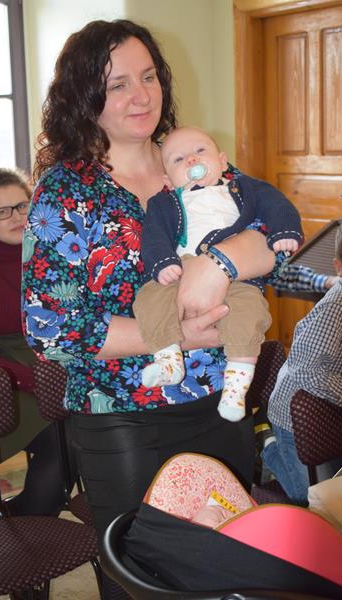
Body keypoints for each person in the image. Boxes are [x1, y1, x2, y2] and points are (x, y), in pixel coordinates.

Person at [21, 19, 288, 599]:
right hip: (123, 415)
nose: (141, 95)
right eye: (117, 84)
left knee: (226, 566)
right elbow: (51, 329)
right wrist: (180, 336)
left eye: (149, 77)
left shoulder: (192, 161)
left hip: (221, 401)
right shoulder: (67, 191)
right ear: (84, 96)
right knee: (145, 579)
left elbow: (277, 239)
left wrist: (226, 261)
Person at [133, 125, 302, 422]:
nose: (191, 160)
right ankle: (168, 358)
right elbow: (154, 236)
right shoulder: (164, 203)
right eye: (178, 159)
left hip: (238, 278)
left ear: (223, 162)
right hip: (180, 271)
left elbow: (277, 205)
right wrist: (162, 263)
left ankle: (236, 386)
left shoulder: (244, 188)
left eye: (200, 151)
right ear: (168, 180)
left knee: (249, 313)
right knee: (149, 298)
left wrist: (284, 232)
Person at [0, 168, 74, 518]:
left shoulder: (50, 253)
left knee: (97, 425)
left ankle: (26, 511)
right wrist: (26, 378)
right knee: (65, 441)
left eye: (22, 206)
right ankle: (31, 522)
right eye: (2, 211)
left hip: (50, 363)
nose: (17, 217)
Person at [263, 209, 342, 505]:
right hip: (295, 412)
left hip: (333, 402)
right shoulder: (338, 306)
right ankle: (270, 450)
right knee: (308, 498)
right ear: (340, 268)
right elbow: (304, 369)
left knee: (339, 484)